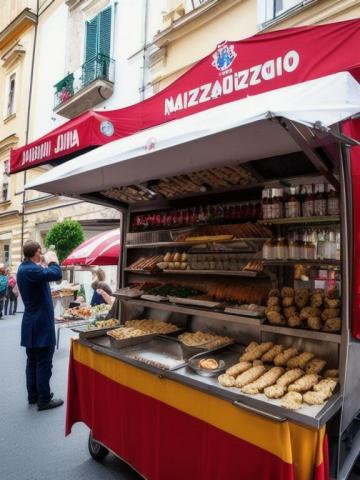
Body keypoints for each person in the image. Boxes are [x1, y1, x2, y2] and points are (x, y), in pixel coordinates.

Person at [17, 240, 63, 411]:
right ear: (36, 252)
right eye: (40, 251)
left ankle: (33, 395)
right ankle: (43, 399)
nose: (42, 253)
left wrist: (43, 264)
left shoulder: (24, 268)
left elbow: (43, 275)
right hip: (41, 322)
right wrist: (52, 259)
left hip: (31, 322)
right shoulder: (30, 269)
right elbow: (56, 274)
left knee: (32, 361)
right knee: (43, 361)